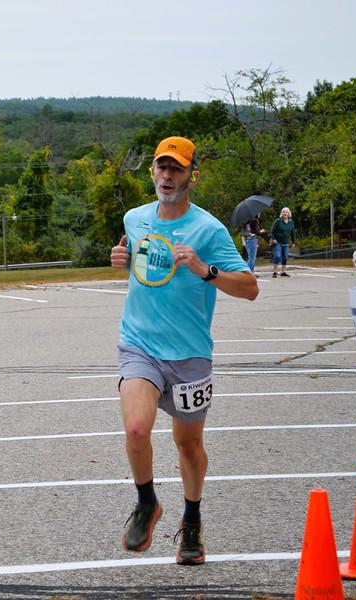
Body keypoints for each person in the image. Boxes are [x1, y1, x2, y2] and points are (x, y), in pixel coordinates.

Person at [110, 136, 258, 565]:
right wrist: (121, 257)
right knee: (137, 429)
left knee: (187, 444)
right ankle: (147, 502)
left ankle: (192, 520)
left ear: (193, 174)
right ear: (152, 172)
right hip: (139, 344)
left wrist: (203, 269)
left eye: (176, 168)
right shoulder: (135, 218)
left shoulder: (208, 230)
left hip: (190, 353)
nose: (168, 176)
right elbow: (139, 263)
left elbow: (249, 288)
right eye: (161, 167)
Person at [269, 207, 296, 277]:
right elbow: (272, 230)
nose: (285, 213)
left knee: (285, 258)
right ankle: (274, 271)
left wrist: (293, 242)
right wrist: (273, 238)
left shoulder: (291, 222)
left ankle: (283, 272)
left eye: (286, 212)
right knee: (277, 256)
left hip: (286, 242)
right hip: (277, 242)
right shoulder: (278, 221)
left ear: (289, 213)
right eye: (283, 212)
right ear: (281, 213)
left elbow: (292, 232)